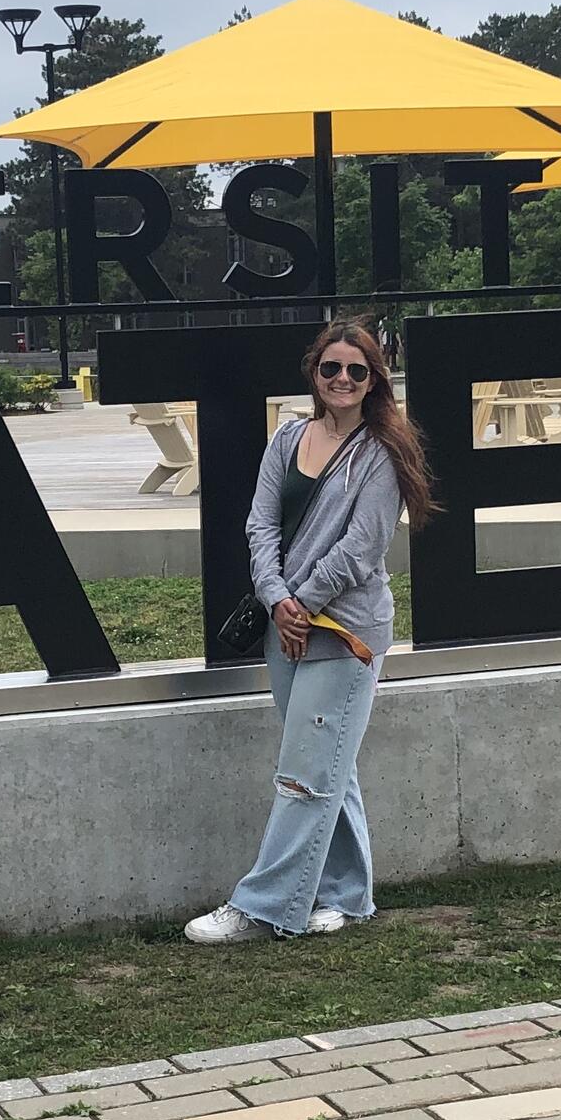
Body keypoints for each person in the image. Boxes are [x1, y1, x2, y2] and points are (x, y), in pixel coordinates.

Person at [185, 318, 436, 944]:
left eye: (357, 369)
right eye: (332, 368)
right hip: (285, 628)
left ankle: (266, 906)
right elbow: (259, 526)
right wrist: (276, 602)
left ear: (375, 377)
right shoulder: (287, 439)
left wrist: (302, 603)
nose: (343, 379)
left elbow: (362, 547)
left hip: (345, 632)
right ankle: (350, 899)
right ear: (314, 373)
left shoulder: (382, 450)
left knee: (303, 774)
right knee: (329, 766)